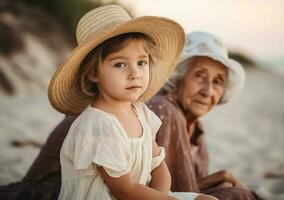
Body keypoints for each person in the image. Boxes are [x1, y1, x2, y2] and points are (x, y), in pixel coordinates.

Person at [47, 5, 216, 200]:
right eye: (120, 64)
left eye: (142, 63)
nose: (135, 73)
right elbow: (125, 190)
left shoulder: (140, 112)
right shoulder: (99, 125)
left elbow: (158, 166)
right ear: (93, 73)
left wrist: (162, 196)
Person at [147, 31, 262, 200]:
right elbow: (166, 194)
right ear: (178, 76)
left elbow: (188, 189)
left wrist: (220, 179)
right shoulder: (164, 110)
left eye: (217, 81)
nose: (208, 91)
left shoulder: (196, 128)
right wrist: (220, 178)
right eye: (199, 76)